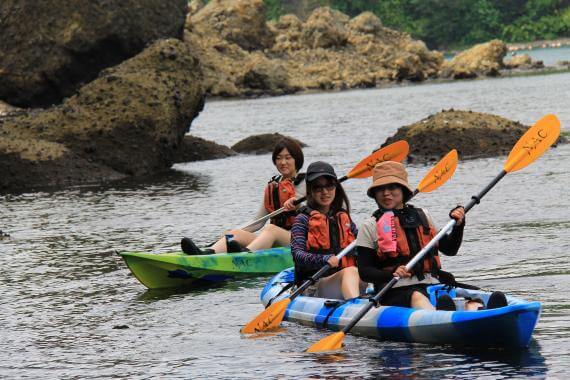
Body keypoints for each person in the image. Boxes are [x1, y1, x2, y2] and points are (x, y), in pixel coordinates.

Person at [356, 161, 507, 311]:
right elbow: (365, 272)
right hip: (394, 290)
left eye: (392, 187)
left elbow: (450, 249)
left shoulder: (423, 216)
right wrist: (391, 273)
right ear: (374, 194)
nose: (386, 193)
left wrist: (458, 225)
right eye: (380, 189)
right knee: (417, 296)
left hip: (434, 284)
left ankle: (483, 311)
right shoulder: (369, 226)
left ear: (402, 190)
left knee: (469, 300)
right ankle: (441, 316)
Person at [181, 138, 306, 255]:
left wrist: (298, 204)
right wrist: (233, 232)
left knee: (271, 229)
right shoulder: (273, 186)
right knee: (235, 234)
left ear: (297, 160)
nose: (283, 162)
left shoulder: (307, 182)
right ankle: (205, 254)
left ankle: (244, 255)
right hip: (275, 240)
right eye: (279, 158)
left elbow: (316, 209)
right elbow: (257, 222)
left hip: (299, 242)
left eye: (288, 158)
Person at [291, 161, 367, 300]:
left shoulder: (343, 217)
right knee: (350, 272)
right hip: (313, 285)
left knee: (361, 272)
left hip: (346, 278)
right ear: (311, 191)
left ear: (335, 187)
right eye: (318, 188)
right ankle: (355, 306)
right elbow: (297, 255)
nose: (325, 192)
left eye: (329, 186)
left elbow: (360, 244)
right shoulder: (302, 219)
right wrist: (324, 259)